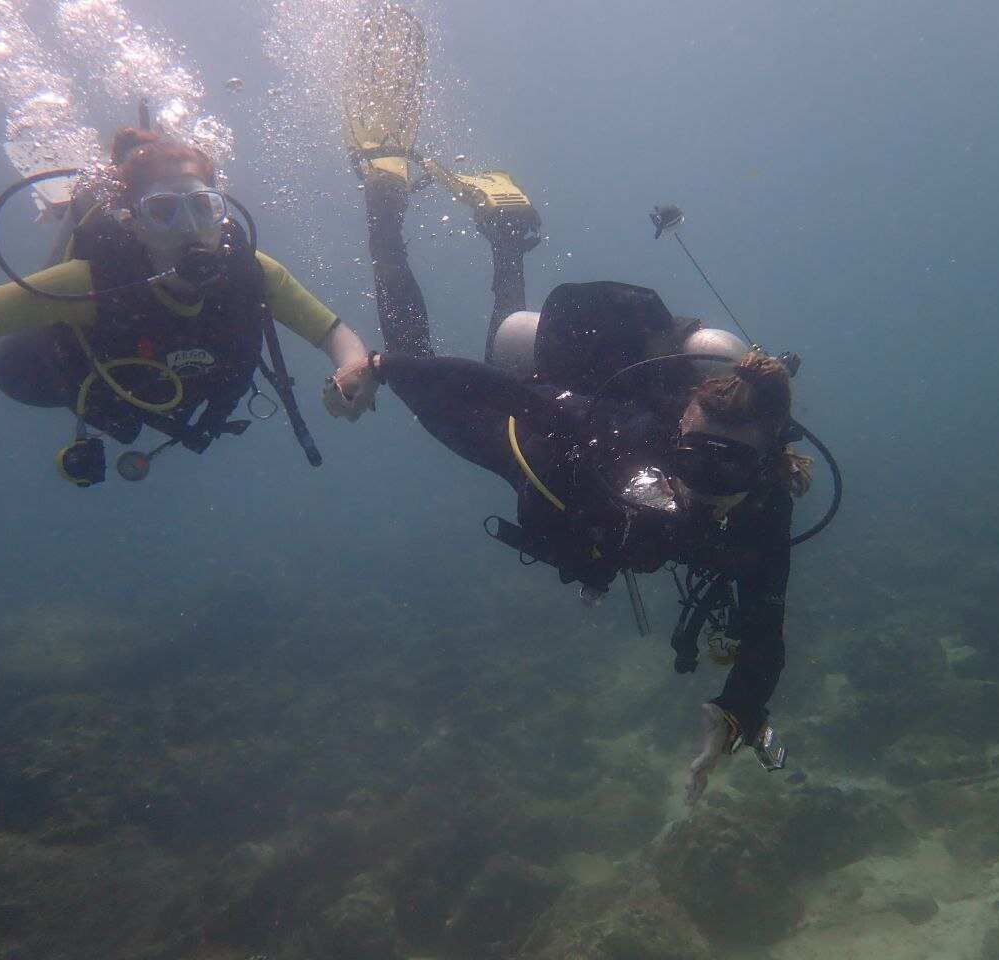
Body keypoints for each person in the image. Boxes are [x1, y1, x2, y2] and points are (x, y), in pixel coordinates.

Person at [331, 5, 813, 805]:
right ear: (684, 415)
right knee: (449, 355)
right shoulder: (626, 424)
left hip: (570, 483)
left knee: (495, 341)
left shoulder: (763, 500)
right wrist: (385, 366)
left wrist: (734, 717)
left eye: (734, 461)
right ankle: (389, 209)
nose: (711, 472)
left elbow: (767, 624)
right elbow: (500, 390)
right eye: (700, 448)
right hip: (529, 449)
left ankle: (504, 243)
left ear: (768, 454)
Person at [0, 128, 379, 481]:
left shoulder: (254, 273)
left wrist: (353, 369)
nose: (189, 228)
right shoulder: (90, 281)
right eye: (163, 211)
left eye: (203, 206)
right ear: (133, 224)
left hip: (151, 392)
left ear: (221, 211)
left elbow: (333, 333)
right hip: (49, 375)